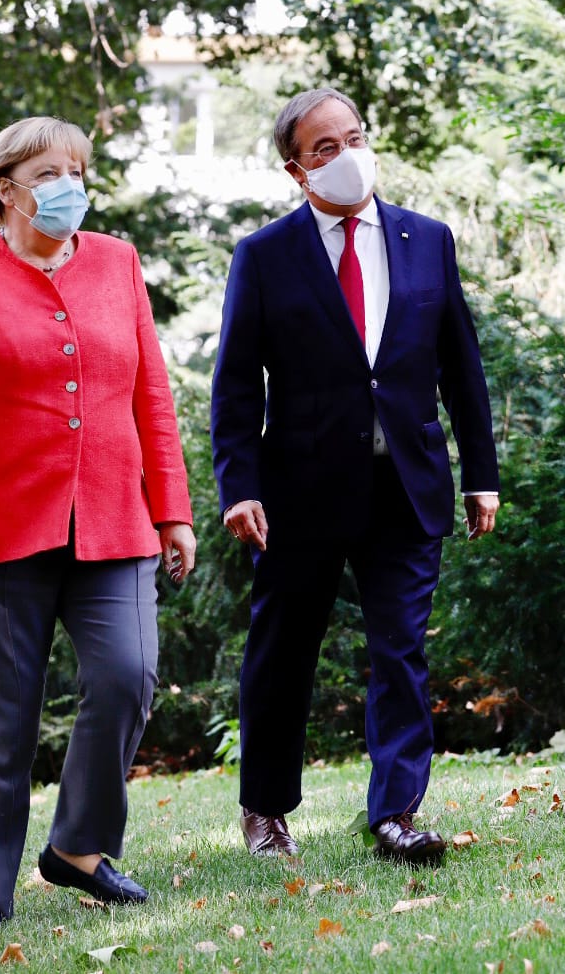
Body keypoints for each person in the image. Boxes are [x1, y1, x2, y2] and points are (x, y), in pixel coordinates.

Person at [0, 116, 196, 934]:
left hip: (112, 522)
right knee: (0, 722)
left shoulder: (116, 262)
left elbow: (151, 396)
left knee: (128, 676)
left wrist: (171, 508)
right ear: (7, 190)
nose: (71, 183)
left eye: (79, 168)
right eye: (52, 171)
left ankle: (79, 850)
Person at [210, 88, 500, 866]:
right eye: (324, 148)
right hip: (297, 495)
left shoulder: (425, 238)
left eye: (354, 138)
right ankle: (266, 810)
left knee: (401, 650)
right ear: (295, 170)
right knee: (282, 653)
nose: (346, 156)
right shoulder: (264, 256)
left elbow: (460, 365)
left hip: (405, 484)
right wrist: (238, 487)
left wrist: (483, 474)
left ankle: (395, 815)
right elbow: (236, 385)